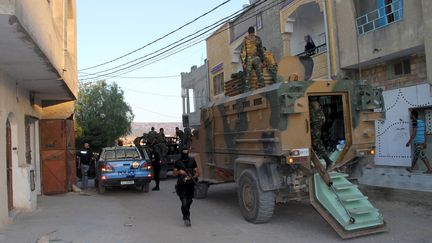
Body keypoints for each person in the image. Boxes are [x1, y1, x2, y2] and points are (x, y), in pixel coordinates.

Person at [173, 148, 200, 227]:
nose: (185, 154)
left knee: (189, 201)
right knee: (184, 202)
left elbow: (198, 173)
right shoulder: (178, 162)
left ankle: (185, 213)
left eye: (186, 153)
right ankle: (187, 218)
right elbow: (174, 174)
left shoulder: (192, 161)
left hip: (190, 185)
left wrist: (192, 177)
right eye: (184, 153)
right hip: (181, 186)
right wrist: (179, 172)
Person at [310, 100, 333, 170]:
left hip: (316, 127)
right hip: (316, 127)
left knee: (316, 143)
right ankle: (326, 160)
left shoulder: (316, 111)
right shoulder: (319, 112)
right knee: (316, 143)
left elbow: (316, 120)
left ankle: (328, 161)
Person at [241, 26, 265, 91]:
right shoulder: (257, 38)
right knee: (259, 73)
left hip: (249, 58)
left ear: (248, 32)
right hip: (255, 57)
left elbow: (243, 52)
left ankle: (247, 89)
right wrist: (263, 60)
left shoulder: (245, 39)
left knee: (248, 74)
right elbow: (261, 50)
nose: (252, 35)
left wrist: (243, 63)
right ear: (254, 32)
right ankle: (261, 86)